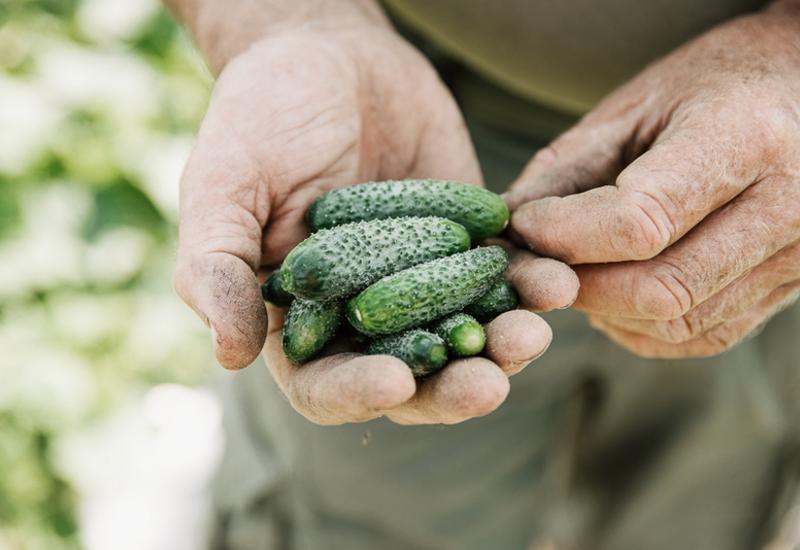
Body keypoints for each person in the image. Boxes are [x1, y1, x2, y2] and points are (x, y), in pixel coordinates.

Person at [165, 0, 800, 548]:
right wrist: (285, 22)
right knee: (360, 521)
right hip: (382, 92)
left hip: (769, 155)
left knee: (697, 506)